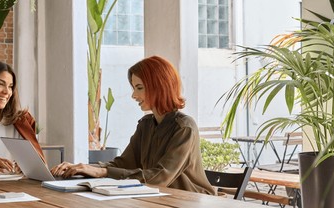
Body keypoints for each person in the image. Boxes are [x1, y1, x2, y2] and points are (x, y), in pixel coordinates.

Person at [50, 56, 216, 195]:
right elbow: (123, 164)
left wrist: (103, 172)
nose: (133, 95)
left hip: (192, 204)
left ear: (159, 86)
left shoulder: (184, 127)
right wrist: (83, 167)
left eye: (139, 88)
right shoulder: (146, 125)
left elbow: (161, 177)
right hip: (157, 199)